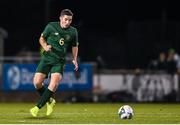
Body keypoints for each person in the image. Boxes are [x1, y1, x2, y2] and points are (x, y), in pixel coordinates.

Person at [30, 9, 79, 117]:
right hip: (46, 59)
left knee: (54, 83)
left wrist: (75, 59)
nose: (68, 22)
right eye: (66, 19)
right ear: (60, 18)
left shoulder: (73, 31)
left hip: (59, 61)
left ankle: (37, 107)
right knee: (37, 83)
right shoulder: (51, 26)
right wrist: (45, 46)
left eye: (70, 20)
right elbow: (41, 39)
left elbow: (74, 46)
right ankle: (50, 101)